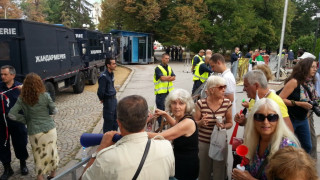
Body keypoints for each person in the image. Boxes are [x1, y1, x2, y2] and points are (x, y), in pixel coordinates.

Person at [81, 95, 175, 180]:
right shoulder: (166, 147)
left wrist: (100, 149)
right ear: (146, 119)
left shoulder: (106, 158)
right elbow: (171, 173)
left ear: (119, 123)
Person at [232, 98, 300, 180]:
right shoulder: (253, 141)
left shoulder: (287, 148)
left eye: (272, 117)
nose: (265, 122)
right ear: (253, 120)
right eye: (260, 117)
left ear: (278, 120)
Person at [8, 73, 59, 180]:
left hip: (35, 131)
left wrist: (26, 120)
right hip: (50, 129)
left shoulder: (22, 98)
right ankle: (53, 175)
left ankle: (40, 177)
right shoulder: (45, 96)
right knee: (52, 151)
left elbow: (11, 114)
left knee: (38, 155)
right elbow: (55, 110)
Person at [148, 89, 199, 180]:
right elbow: (177, 126)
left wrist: (136, 132)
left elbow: (163, 136)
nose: (177, 107)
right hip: (180, 163)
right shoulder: (183, 119)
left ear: (187, 105)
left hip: (185, 168)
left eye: (181, 103)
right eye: (174, 103)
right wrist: (165, 115)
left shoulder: (188, 122)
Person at [194, 76, 233, 180]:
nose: (224, 89)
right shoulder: (200, 103)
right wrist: (201, 122)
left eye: (225, 86)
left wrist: (223, 126)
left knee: (219, 172)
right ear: (211, 90)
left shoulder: (227, 103)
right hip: (204, 142)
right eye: (221, 87)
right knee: (203, 171)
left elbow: (230, 123)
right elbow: (194, 123)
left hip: (220, 143)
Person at [279, 58, 318, 155]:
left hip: (303, 119)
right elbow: (280, 99)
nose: (315, 69)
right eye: (312, 67)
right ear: (305, 68)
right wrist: (299, 103)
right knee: (286, 147)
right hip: (290, 118)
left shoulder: (310, 82)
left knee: (307, 146)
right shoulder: (294, 82)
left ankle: (300, 166)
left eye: (316, 67)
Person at [0, 65, 28, 180]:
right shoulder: (0, 87)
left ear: (13, 75)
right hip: (2, 121)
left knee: (21, 143)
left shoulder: (19, 87)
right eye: (1, 74)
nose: (2, 76)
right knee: (2, 145)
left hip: (17, 121)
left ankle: (23, 164)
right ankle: (7, 168)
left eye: (5, 74)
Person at [154, 53, 176, 126]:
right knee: (161, 108)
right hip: (161, 92)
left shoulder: (169, 67)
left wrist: (166, 78)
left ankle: (166, 121)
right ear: (162, 59)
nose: (167, 60)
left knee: (168, 107)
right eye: (166, 58)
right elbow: (162, 78)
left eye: (168, 58)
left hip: (168, 91)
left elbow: (174, 77)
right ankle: (160, 123)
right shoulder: (158, 68)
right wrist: (169, 77)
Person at [97, 57, 118, 133]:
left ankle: (114, 137)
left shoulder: (111, 74)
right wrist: (102, 99)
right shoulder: (104, 77)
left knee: (116, 120)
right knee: (109, 120)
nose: (115, 65)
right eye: (113, 63)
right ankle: (107, 139)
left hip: (114, 100)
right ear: (108, 65)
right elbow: (100, 91)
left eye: (115, 63)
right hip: (108, 101)